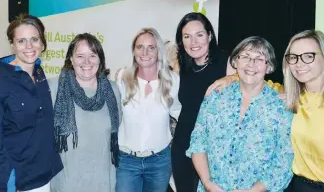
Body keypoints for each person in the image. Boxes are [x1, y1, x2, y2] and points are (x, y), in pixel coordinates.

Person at [186, 36, 294, 192]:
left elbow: (285, 159)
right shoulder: (216, 97)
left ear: (268, 67)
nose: (251, 64)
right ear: (235, 62)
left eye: (259, 59)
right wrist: (207, 182)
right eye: (245, 57)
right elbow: (198, 141)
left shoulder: (280, 107)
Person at [0, 14, 63, 192]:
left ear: (42, 42)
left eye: (34, 39)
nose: (29, 47)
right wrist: (1, 187)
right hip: (14, 183)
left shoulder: (39, 73)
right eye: (21, 41)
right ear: (12, 44)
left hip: (42, 179)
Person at [171, 12, 236, 192]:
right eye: (187, 36)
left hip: (214, 149)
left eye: (199, 35)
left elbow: (251, 86)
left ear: (209, 35)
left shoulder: (227, 62)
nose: (194, 42)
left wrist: (232, 78)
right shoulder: (180, 65)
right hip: (183, 146)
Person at [49, 33, 121, 192]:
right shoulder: (53, 88)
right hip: (67, 184)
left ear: (100, 59)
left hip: (104, 183)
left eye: (92, 55)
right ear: (71, 59)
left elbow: (118, 135)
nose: (86, 62)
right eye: (80, 56)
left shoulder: (113, 90)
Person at [115, 28, 181, 192]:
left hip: (159, 161)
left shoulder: (173, 81)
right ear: (133, 50)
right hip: (127, 161)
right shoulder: (122, 78)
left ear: (159, 51)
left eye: (151, 47)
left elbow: (179, 113)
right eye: (140, 47)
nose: (145, 52)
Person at [282, 30, 324, 192]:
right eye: (293, 57)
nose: (298, 63)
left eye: (308, 56)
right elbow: (260, 84)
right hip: (296, 185)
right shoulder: (296, 96)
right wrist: (232, 77)